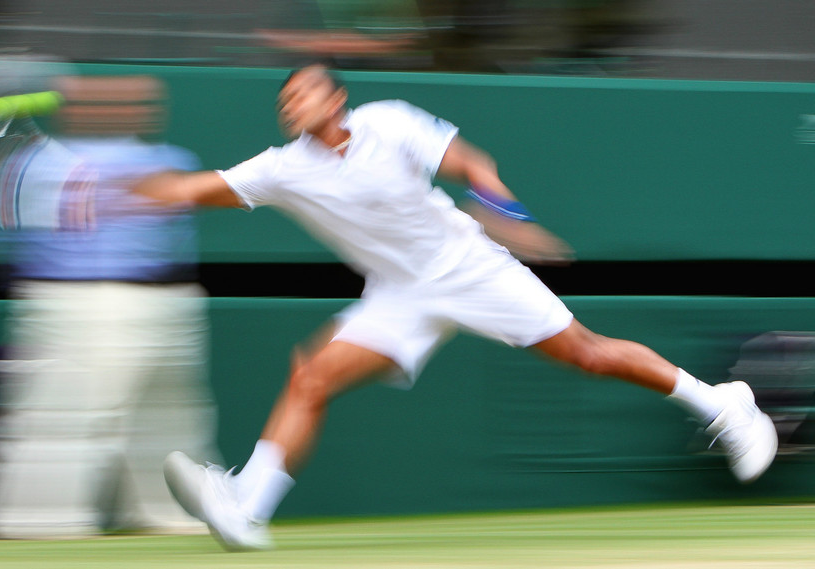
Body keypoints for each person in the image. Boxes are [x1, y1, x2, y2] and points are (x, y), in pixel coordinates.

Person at [133, 64, 778, 551]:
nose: (290, 104)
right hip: (398, 296)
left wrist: (508, 217)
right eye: (284, 100)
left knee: (588, 353)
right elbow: (191, 187)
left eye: (302, 92)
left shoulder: (390, 123)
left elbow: (474, 165)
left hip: (470, 268)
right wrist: (123, 188)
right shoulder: (279, 170)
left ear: (335, 99)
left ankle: (723, 402)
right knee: (312, 375)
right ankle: (247, 505)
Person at [0, 75, 221, 538]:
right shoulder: (38, 164)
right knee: (66, 415)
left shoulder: (169, 160)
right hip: (80, 300)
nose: (130, 110)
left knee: (170, 415)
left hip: (165, 300)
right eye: (110, 101)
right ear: (78, 110)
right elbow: (13, 237)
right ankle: (37, 521)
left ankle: (168, 510)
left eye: (137, 102)